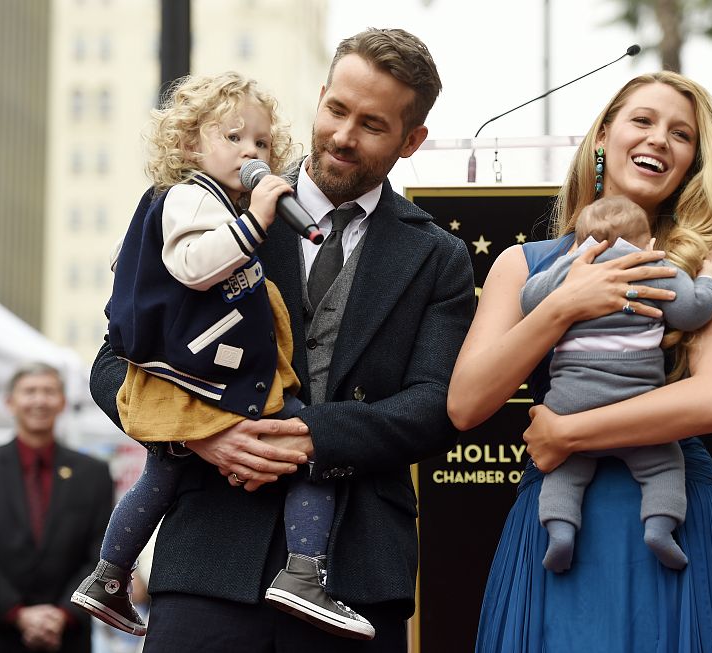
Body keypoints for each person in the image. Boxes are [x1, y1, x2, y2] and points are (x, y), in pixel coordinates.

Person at [88, 27, 475, 652]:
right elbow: (113, 364)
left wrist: (311, 437)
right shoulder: (205, 209)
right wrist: (205, 432)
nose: (344, 136)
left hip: (358, 572)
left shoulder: (439, 256)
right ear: (320, 97)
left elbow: (436, 406)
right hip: (207, 559)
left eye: (372, 125)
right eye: (337, 110)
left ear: (412, 140)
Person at [448, 71, 712, 651]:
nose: (659, 140)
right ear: (604, 136)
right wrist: (566, 305)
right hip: (561, 526)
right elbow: (466, 403)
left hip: (681, 519)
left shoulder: (708, 259)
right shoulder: (522, 266)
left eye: (681, 135)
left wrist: (567, 432)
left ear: (692, 162)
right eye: (643, 121)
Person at [70, 71, 375, 640]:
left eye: (260, 142)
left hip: (188, 377)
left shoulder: (191, 202)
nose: (251, 152)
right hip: (208, 378)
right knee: (311, 451)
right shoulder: (192, 197)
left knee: (162, 471)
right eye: (233, 138)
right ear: (189, 144)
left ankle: (109, 576)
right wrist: (256, 221)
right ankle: (305, 574)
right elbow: (192, 265)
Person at [523, 195, 712, 573]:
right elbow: (691, 311)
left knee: (564, 473)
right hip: (635, 410)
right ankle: (659, 528)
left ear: (581, 244)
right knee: (664, 465)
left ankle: (560, 531)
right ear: (648, 243)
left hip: (569, 404)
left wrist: (566, 270)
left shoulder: (571, 270)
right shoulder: (657, 266)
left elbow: (529, 300)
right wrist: (711, 281)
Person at [0, 362, 114, 652]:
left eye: (49, 391)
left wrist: (64, 614)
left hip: (68, 634)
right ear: (10, 402)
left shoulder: (94, 474)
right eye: (30, 391)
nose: (39, 400)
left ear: (62, 403)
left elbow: (103, 554)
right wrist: (16, 614)